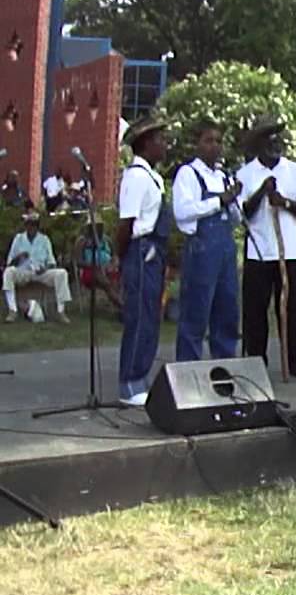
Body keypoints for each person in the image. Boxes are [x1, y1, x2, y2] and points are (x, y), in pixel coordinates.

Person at [236, 116, 296, 378]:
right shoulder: (245, 174)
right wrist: (261, 192)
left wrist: (286, 203)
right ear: (258, 144)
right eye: (268, 138)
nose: (275, 143)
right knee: (256, 310)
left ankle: (293, 358)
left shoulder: (295, 170)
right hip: (258, 252)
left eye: (277, 137)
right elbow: (242, 212)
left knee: (292, 309)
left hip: (289, 252)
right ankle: (256, 359)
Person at [173, 122, 242, 362]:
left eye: (219, 141)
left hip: (224, 247)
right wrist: (218, 202)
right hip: (201, 248)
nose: (215, 146)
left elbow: (235, 219)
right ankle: (188, 369)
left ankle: (224, 364)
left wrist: (234, 201)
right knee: (196, 311)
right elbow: (182, 212)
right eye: (209, 140)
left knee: (227, 309)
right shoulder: (188, 173)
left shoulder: (223, 176)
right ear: (197, 144)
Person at [115, 118, 172, 406]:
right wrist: (123, 258)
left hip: (154, 252)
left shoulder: (151, 176)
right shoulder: (136, 177)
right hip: (141, 250)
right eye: (160, 139)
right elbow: (126, 225)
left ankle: (141, 375)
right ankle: (130, 382)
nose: (165, 144)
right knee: (139, 318)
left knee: (150, 316)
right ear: (146, 143)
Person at [3, 202, 72, 324]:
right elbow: (10, 263)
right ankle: (12, 310)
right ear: (26, 225)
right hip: (23, 271)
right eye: (29, 224)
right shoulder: (19, 239)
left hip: (40, 271)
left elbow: (52, 262)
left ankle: (61, 312)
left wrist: (44, 268)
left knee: (61, 273)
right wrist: (19, 257)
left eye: (34, 225)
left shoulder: (44, 240)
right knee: (8, 272)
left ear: (37, 226)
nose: (31, 227)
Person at [75, 217, 122, 310]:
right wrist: (95, 266)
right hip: (90, 271)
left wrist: (113, 264)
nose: (99, 229)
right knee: (103, 279)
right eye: (96, 227)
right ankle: (121, 306)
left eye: (100, 226)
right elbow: (78, 262)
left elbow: (115, 256)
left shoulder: (107, 240)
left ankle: (122, 304)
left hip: (108, 269)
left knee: (122, 276)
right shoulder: (82, 241)